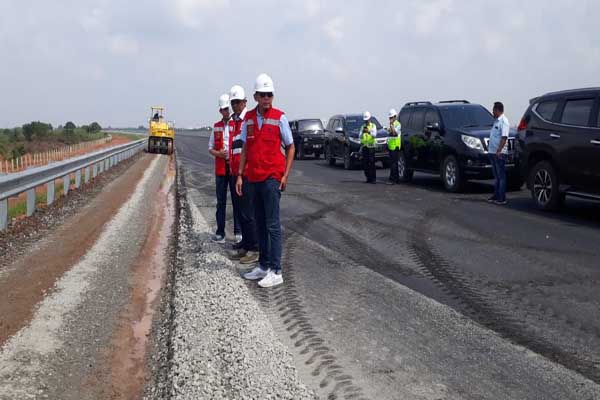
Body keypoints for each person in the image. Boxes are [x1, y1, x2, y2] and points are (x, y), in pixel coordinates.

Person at [236, 73, 295, 288]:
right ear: (255, 97)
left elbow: (290, 147)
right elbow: (244, 148)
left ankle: (276, 270)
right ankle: (262, 265)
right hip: (253, 177)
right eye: (262, 95)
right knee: (259, 222)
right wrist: (241, 174)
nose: (266, 99)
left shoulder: (280, 118)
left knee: (272, 225)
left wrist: (285, 175)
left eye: (269, 95)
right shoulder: (249, 119)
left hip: (272, 178)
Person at [227, 84, 260, 264]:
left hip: (246, 173)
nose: (234, 105)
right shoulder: (234, 121)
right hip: (235, 171)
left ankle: (253, 248)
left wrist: (242, 172)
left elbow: (249, 147)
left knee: (248, 212)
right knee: (240, 211)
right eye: (233, 102)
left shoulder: (248, 119)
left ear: (245, 102)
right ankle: (245, 244)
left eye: (237, 102)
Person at [209, 93, 242, 243]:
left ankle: (238, 232)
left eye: (227, 109)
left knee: (237, 201)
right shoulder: (216, 127)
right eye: (223, 109)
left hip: (234, 168)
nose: (226, 112)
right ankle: (220, 232)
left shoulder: (238, 124)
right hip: (221, 169)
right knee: (221, 202)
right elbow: (210, 148)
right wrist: (218, 154)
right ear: (220, 111)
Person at [487, 101, 510, 205]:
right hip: (492, 152)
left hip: (499, 153)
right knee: (496, 176)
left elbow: (504, 137)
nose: (492, 112)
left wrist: (499, 150)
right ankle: (496, 195)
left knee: (501, 176)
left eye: (493, 110)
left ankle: (502, 197)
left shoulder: (504, 121)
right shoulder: (496, 121)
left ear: (498, 110)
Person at [360, 111, 377, 184]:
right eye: (365, 120)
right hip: (365, 147)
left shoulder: (373, 126)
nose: (366, 121)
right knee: (365, 163)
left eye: (367, 120)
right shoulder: (362, 127)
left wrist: (369, 131)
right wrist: (363, 132)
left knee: (372, 163)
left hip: (371, 146)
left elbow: (374, 135)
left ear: (370, 119)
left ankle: (373, 179)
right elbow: (359, 136)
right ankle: (368, 178)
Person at [386, 109, 402, 184]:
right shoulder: (391, 124)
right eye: (389, 118)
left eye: (391, 117)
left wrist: (392, 126)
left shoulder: (398, 124)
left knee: (394, 164)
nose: (390, 119)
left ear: (395, 117)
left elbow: (394, 133)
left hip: (395, 146)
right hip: (391, 146)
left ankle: (394, 179)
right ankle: (392, 178)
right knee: (392, 163)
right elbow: (389, 132)